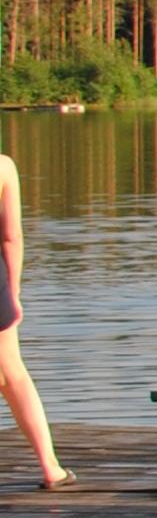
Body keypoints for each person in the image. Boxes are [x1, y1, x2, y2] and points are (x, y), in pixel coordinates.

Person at [0, 152, 67, 488]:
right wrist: (12, 291)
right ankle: (50, 467)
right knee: (13, 375)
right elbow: (11, 237)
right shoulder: (4, 166)